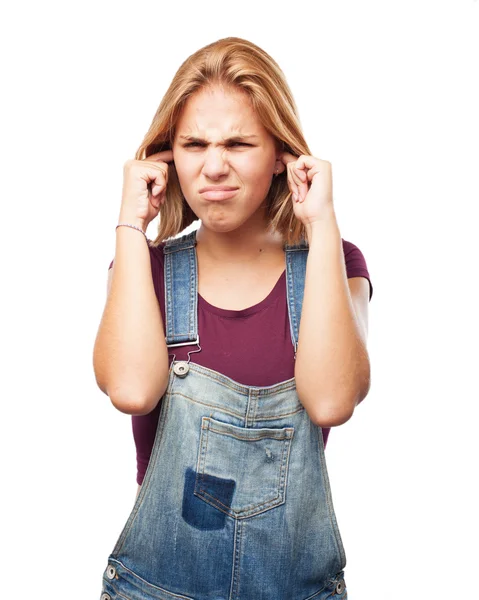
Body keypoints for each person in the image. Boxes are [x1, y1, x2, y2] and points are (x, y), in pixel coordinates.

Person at [93, 36, 373, 600]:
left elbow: (332, 401)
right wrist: (130, 222)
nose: (214, 166)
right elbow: (130, 388)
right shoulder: (142, 268)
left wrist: (320, 226)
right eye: (194, 144)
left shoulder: (336, 262)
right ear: (167, 158)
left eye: (239, 143)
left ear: (281, 156)